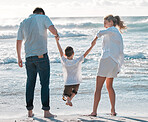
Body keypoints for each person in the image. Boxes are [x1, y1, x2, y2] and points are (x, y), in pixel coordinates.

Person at [16, 7, 59, 118]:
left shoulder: (23, 22)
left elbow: (19, 41)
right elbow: (53, 30)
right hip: (41, 57)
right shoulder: (43, 17)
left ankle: (30, 112)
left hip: (28, 58)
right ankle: (46, 112)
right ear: (41, 13)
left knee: (30, 84)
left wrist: (19, 57)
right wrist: (56, 34)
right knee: (44, 84)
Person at [90, 15, 126, 116]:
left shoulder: (112, 30)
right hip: (114, 62)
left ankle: (94, 112)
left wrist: (94, 39)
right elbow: (121, 52)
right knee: (109, 86)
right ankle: (113, 110)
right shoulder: (117, 33)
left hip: (107, 59)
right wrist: (119, 66)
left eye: (105, 22)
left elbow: (100, 33)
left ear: (111, 22)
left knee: (98, 88)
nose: (104, 25)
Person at [55, 36, 97, 106]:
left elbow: (60, 51)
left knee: (66, 94)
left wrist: (57, 41)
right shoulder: (77, 61)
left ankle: (68, 99)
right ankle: (69, 100)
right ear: (73, 53)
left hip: (68, 82)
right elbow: (86, 53)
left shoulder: (64, 60)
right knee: (74, 92)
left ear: (65, 54)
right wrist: (92, 46)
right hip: (76, 82)